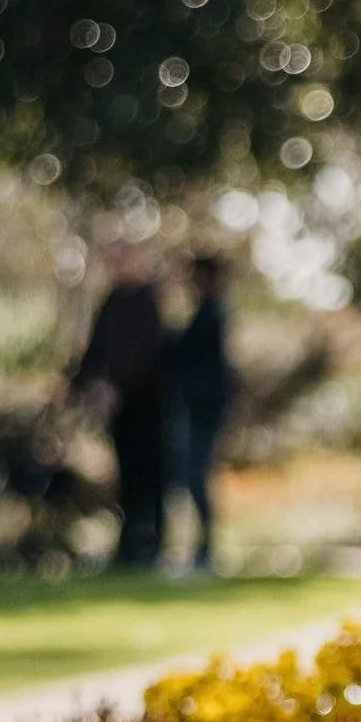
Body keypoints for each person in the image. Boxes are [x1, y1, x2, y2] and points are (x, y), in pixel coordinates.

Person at [69, 246, 167, 568]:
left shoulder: (146, 302)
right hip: (119, 412)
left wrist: (117, 388)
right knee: (126, 476)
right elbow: (96, 351)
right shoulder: (110, 302)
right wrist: (81, 386)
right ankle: (128, 545)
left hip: (146, 408)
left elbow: (146, 356)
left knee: (148, 475)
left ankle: (150, 542)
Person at [168, 248, 234, 574]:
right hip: (196, 405)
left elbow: (185, 352)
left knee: (195, 474)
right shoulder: (205, 311)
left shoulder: (212, 312)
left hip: (204, 407)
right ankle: (200, 547)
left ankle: (205, 549)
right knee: (190, 475)